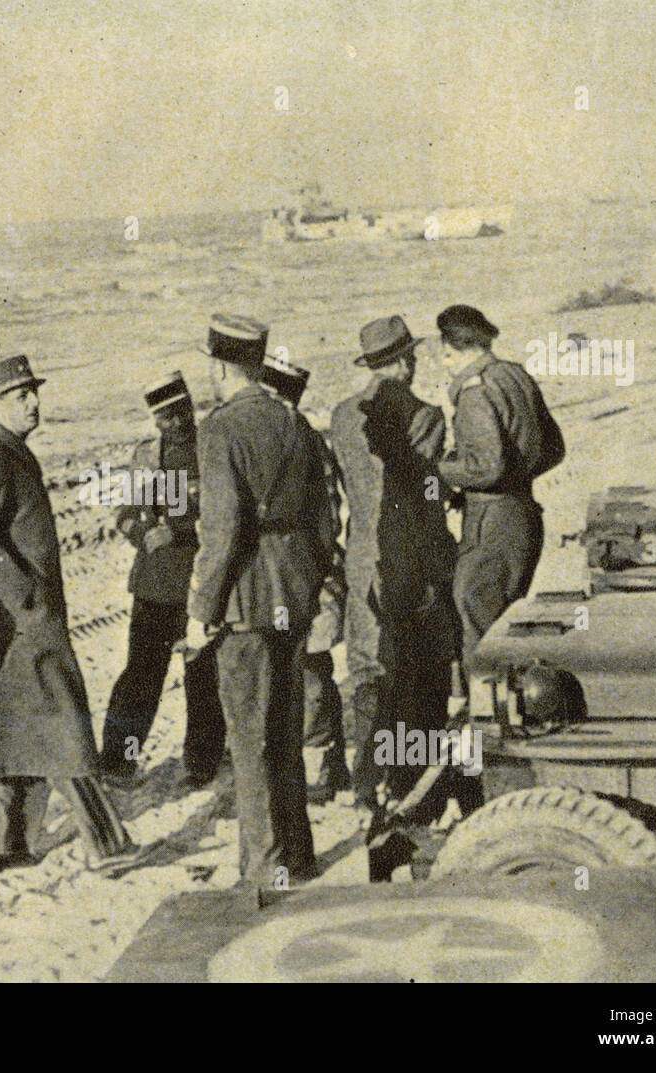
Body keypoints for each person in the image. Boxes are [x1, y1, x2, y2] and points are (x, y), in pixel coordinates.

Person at [0, 354, 150, 876]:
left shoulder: (10, 450)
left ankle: (6, 847)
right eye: (20, 397)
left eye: (33, 392)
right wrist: (25, 595)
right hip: (17, 625)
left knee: (23, 729)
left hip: (13, 624)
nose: (33, 403)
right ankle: (108, 848)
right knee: (64, 727)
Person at [185, 315, 338, 899]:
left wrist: (204, 607)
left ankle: (265, 869)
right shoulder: (294, 421)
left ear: (220, 367)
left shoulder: (220, 429)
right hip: (291, 597)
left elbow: (221, 531)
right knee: (285, 731)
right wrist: (304, 579)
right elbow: (325, 521)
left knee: (250, 738)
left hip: (246, 599)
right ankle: (298, 857)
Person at [329, 316, 462, 809]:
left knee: (368, 669)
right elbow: (425, 491)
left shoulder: (343, 417)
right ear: (405, 362)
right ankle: (414, 787)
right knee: (419, 673)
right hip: (413, 560)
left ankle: (367, 783)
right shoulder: (425, 415)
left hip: (364, 556)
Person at [98, 371, 227, 790]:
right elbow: (124, 515)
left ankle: (201, 763)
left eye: (180, 412)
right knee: (141, 676)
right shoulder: (146, 456)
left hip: (199, 581)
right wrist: (144, 536)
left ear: (190, 406)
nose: (175, 423)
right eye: (165, 417)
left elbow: (224, 514)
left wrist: (180, 531)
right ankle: (119, 761)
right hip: (155, 586)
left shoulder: (214, 447)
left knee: (203, 678)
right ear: (154, 420)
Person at [435, 305, 565, 673]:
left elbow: (486, 466)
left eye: (445, 357)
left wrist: (441, 471)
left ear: (455, 349)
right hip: (523, 515)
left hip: (490, 522)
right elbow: (555, 449)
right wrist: (518, 475)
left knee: (479, 624)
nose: (446, 366)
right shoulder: (515, 377)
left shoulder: (475, 392)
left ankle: (486, 722)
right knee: (505, 624)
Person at [258, 357, 352, 804]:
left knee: (311, 675)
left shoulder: (308, 443)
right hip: (280, 582)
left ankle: (323, 763)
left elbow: (328, 521)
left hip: (309, 579)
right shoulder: (269, 440)